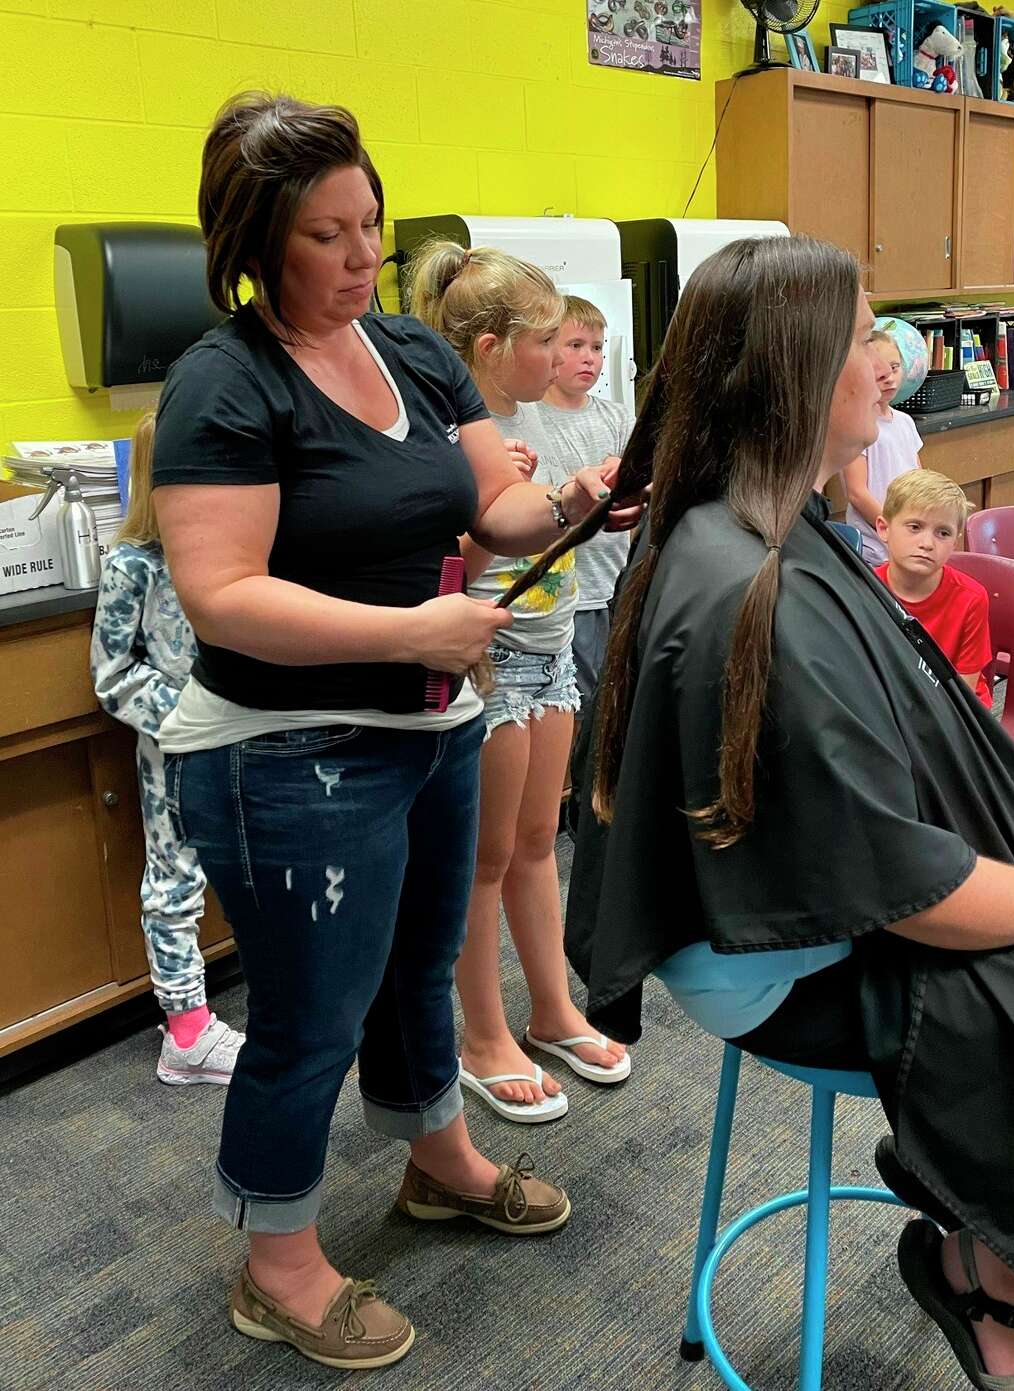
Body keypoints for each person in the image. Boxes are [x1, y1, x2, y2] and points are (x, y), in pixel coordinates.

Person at [561, 233, 1014, 1390]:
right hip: (775, 957)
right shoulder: (757, 585)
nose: (888, 360)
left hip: (799, 897)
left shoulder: (760, 518)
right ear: (800, 367)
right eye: (865, 337)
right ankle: (988, 1274)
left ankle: (970, 1214)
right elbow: (896, 885)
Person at [152, 93, 639, 1372]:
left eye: (371, 223)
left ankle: (437, 1157)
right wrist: (407, 634)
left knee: (423, 966)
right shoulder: (225, 380)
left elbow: (493, 512)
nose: (364, 254)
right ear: (258, 243)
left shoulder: (414, 355)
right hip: (285, 750)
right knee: (313, 1014)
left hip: (429, 724)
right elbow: (223, 592)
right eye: (329, 235)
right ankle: (279, 1263)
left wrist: (577, 501)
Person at [408, 247, 629, 1127]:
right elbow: (459, 558)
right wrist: (538, 493)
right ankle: (483, 1036)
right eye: (548, 340)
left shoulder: (527, 427)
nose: (560, 355)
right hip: (489, 658)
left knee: (541, 837)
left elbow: (547, 533)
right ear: (494, 347)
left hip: (549, 643)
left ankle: (551, 1009)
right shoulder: (453, 440)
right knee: (483, 859)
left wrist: (584, 498)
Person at [90, 413, 245, 1085]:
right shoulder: (135, 566)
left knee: (257, 868)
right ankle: (185, 1034)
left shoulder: (239, 550)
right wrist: (189, 713)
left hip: (246, 734)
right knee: (175, 882)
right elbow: (114, 674)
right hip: (177, 748)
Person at [540, 295, 635, 715]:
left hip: (620, 580)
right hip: (575, 594)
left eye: (597, 348)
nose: (590, 358)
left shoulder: (618, 417)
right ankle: (584, 783)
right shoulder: (531, 417)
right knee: (586, 705)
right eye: (575, 345)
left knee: (622, 698)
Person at [874, 469, 992, 707]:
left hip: (954, 709)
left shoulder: (971, 598)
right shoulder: (865, 589)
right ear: (884, 529)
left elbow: (965, 694)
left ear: (955, 543)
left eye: (943, 533)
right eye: (914, 527)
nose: (927, 544)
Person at [843, 328, 923, 565]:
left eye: (894, 368)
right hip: (875, 551)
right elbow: (857, 493)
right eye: (880, 373)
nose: (889, 378)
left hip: (907, 542)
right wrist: (894, 531)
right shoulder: (858, 425)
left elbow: (920, 480)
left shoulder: (905, 422)